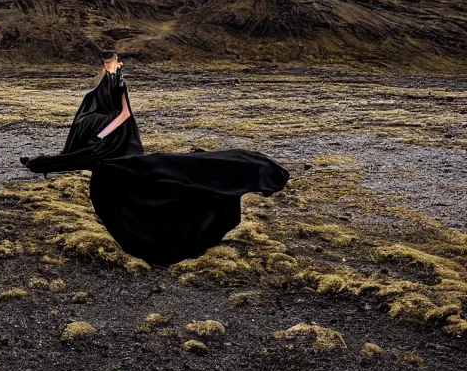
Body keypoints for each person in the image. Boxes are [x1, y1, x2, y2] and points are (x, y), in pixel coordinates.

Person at [20, 51, 290, 266]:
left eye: (114, 63)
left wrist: (101, 136)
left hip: (120, 154)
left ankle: (161, 243)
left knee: (166, 179)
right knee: (121, 194)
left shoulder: (117, 85)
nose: (114, 66)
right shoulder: (99, 90)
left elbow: (124, 115)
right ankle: (146, 242)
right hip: (112, 157)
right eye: (110, 63)